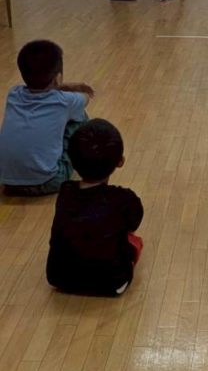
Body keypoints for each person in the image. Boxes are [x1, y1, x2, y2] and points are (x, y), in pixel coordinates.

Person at [46, 119, 144, 296]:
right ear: (120, 161)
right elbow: (133, 225)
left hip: (59, 277)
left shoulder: (65, 192)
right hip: (111, 282)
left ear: (72, 163)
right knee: (134, 241)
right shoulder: (125, 199)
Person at [0, 40, 92, 197]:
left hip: (8, 182)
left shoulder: (13, 94)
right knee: (80, 116)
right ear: (58, 78)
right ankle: (87, 161)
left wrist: (60, 86)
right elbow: (86, 97)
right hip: (49, 181)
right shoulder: (64, 101)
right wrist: (73, 87)